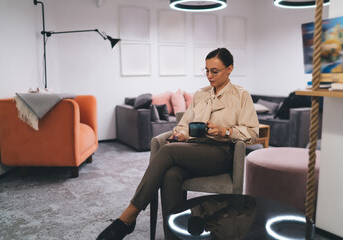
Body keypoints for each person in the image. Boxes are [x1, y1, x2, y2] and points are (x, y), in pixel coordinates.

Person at [96, 48, 259, 240]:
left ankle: (128, 217)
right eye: (206, 70)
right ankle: (172, 236)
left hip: (221, 152)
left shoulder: (241, 95)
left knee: (167, 151)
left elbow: (252, 133)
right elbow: (183, 126)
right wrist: (181, 135)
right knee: (170, 175)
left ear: (229, 69)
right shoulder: (201, 94)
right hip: (194, 149)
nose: (209, 76)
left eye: (214, 71)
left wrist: (225, 131)